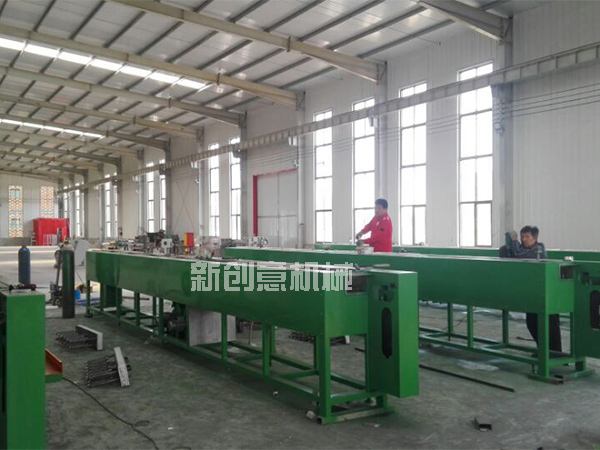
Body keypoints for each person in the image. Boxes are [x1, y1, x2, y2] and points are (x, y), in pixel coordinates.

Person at [502, 226, 562, 353]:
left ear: (535, 238)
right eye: (522, 237)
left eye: (527, 237)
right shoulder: (524, 249)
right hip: (534, 293)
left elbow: (518, 255)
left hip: (546, 294)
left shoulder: (538, 249)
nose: (524, 239)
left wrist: (514, 240)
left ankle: (556, 354)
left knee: (550, 326)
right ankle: (543, 351)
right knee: (532, 324)